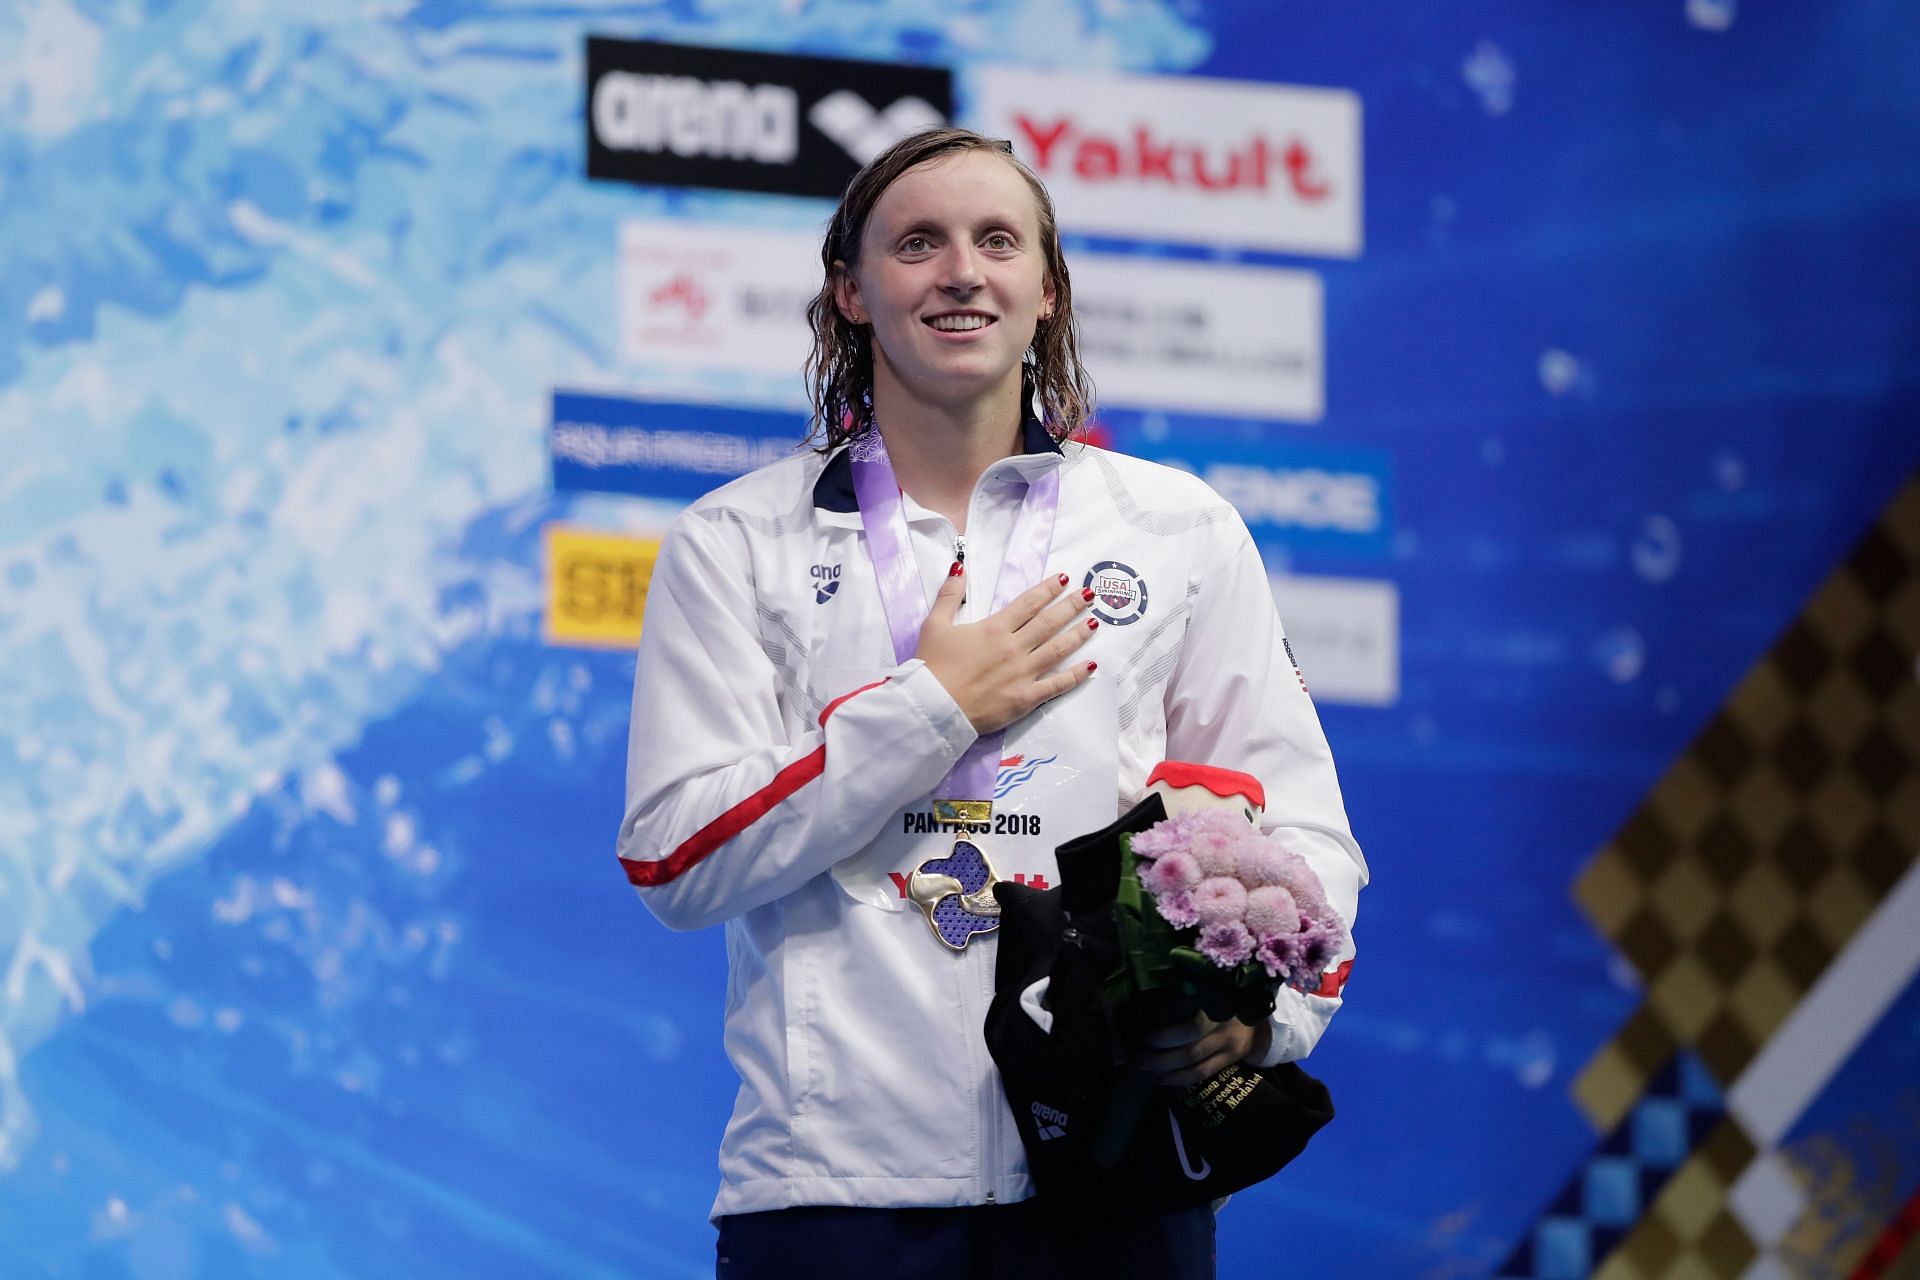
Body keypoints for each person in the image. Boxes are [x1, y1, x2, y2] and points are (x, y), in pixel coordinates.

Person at [615, 127, 1367, 1279]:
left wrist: (1262, 1019)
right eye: (917, 242)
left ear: (1046, 289)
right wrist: (933, 706)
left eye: (997, 240)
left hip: (1115, 1180)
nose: (961, 269)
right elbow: (674, 854)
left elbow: (1305, 834)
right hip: (836, 1189)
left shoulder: (1177, 529)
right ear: (851, 292)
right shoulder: (736, 542)